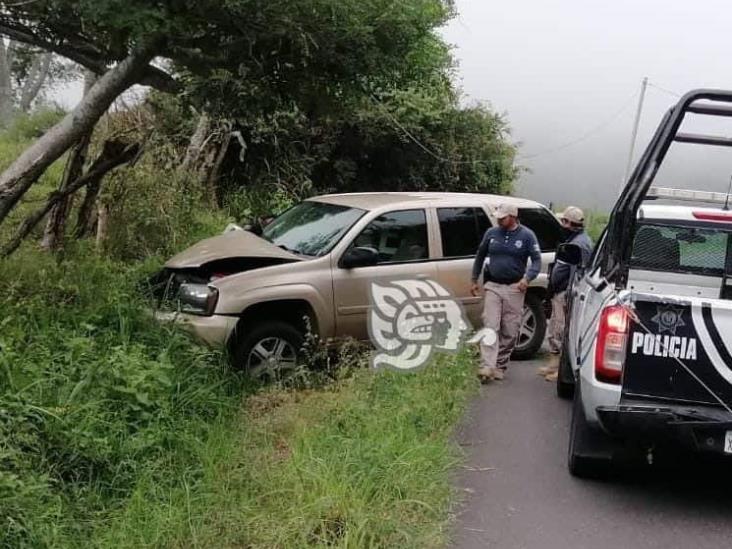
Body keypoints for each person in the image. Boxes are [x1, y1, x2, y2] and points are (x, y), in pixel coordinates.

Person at [471, 203, 542, 382]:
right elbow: (480, 255)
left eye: (502, 217)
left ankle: (500, 364)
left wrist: (527, 279)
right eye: (498, 217)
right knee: (490, 325)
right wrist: (474, 279)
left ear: (512, 217)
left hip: (514, 287)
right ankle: (487, 365)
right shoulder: (491, 233)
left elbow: (536, 261)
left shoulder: (527, 235)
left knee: (510, 330)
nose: (499, 219)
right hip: (493, 285)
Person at [540, 206, 593, 382]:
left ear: (570, 223)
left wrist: (565, 293)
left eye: (564, 221)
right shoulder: (573, 240)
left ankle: (562, 371)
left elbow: (577, 272)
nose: (562, 224)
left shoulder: (578, 244)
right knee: (555, 327)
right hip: (560, 290)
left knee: (562, 330)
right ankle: (554, 365)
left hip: (567, 293)